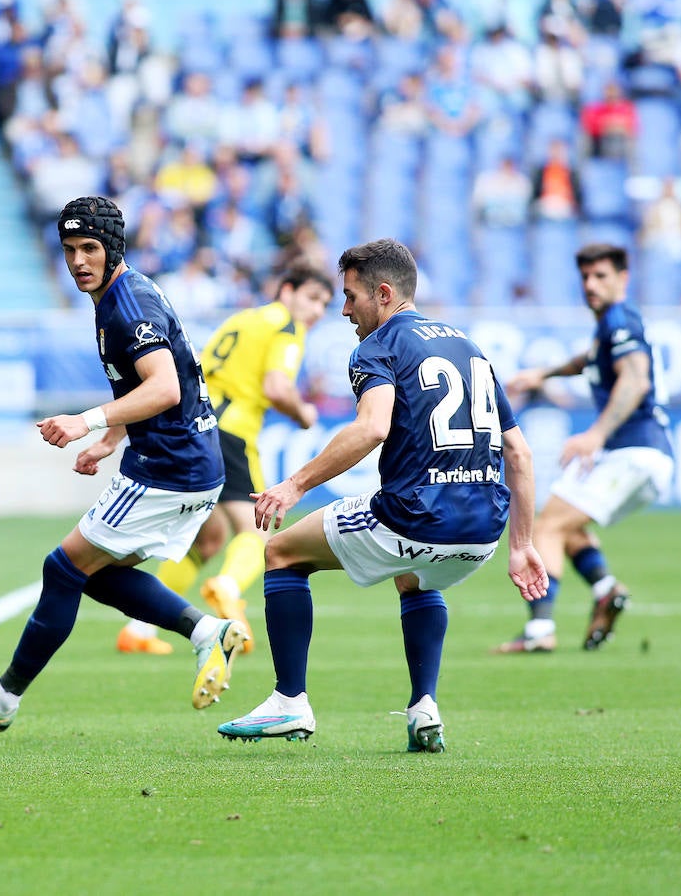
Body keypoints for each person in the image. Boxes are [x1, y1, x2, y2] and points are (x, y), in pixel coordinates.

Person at [0, 196, 247, 732]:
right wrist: (112, 437)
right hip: (186, 462)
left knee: (62, 569)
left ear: (113, 247)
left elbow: (165, 388)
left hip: (169, 466)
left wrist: (89, 421)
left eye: (90, 248)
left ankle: (2, 699)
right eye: (70, 249)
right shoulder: (120, 294)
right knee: (90, 577)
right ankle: (203, 632)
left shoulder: (128, 305)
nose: (79, 260)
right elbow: (143, 382)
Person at [218, 239, 548, 751]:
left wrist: (293, 484)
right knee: (417, 579)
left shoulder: (378, 347)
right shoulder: (468, 346)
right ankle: (424, 709)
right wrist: (523, 544)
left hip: (414, 520)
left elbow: (372, 427)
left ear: (385, 293)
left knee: (280, 553)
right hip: (484, 533)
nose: (344, 310)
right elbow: (520, 454)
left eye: (351, 297)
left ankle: (289, 702)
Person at [116, 264, 334, 656]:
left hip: (196, 425)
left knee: (209, 537)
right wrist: (304, 414)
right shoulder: (286, 326)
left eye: (324, 304)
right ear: (287, 291)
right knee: (258, 530)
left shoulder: (243, 318)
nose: (317, 310)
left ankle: (138, 628)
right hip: (232, 433)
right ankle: (228, 588)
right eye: (313, 298)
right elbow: (277, 387)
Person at [494, 243, 674, 654]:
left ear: (623, 279)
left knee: (545, 527)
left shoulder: (621, 318)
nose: (591, 284)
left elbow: (635, 381)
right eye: (586, 277)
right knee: (566, 525)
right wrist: (543, 372)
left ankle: (540, 632)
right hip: (643, 457)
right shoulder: (610, 327)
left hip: (633, 451)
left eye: (601, 276)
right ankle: (606, 588)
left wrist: (595, 434)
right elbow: (588, 360)